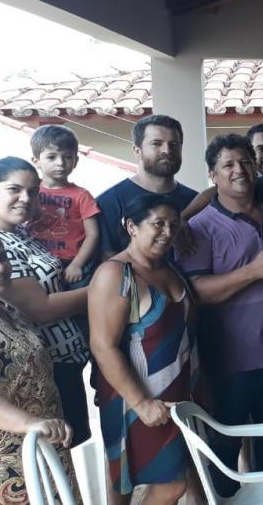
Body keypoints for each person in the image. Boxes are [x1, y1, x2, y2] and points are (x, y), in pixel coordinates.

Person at [176, 134, 263, 497]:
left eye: (245, 162)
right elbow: (197, 292)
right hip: (233, 360)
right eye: (228, 165)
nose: (239, 170)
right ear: (212, 174)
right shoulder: (198, 227)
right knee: (225, 449)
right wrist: (252, 272)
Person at [89, 194, 196, 504]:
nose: (167, 232)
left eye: (173, 225)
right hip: (135, 397)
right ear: (131, 226)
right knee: (167, 485)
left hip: (174, 392)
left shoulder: (169, 268)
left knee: (151, 480)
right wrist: (142, 403)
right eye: (158, 223)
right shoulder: (115, 274)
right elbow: (103, 346)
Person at [0, 157, 91, 447]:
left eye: (33, 191)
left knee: (65, 449)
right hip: (29, 382)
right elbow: (40, 308)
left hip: (57, 368)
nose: (26, 198)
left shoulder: (22, 233)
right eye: (14, 189)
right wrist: (105, 288)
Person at [0, 233, 77, 503]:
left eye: (2, 257)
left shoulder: (7, 307)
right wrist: (29, 423)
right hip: (5, 467)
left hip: (46, 445)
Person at [96, 114, 198, 260]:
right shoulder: (109, 202)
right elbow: (106, 260)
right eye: (156, 144)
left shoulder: (196, 201)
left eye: (174, 144)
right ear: (137, 151)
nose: (167, 150)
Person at [27, 124, 100, 287]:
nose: (60, 163)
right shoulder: (29, 190)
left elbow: (93, 234)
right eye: (51, 157)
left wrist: (77, 264)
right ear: (36, 161)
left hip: (70, 262)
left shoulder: (82, 196)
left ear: (76, 161)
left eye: (67, 157)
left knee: (82, 296)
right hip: (35, 260)